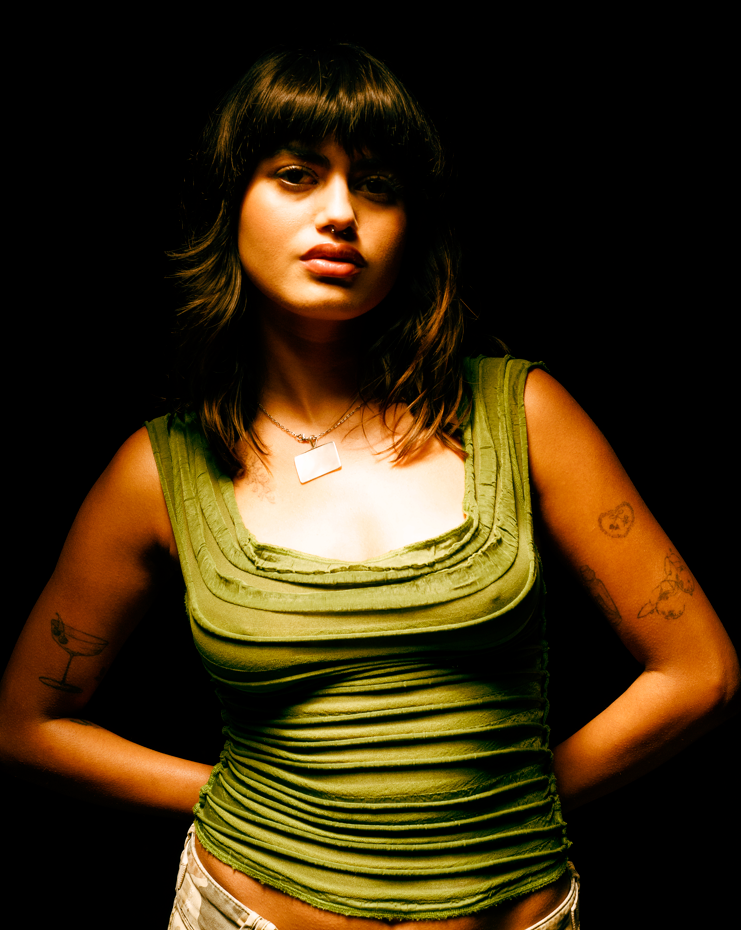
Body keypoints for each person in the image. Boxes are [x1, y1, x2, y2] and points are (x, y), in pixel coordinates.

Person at [1, 41, 738, 930]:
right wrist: (254, 802)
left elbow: (698, 671)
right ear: (231, 203)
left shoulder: (523, 414)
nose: (341, 212)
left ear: (410, 227)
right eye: (297, 175)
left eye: (378, 185)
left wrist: (504, 801)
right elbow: (30, 727)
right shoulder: (156, 472)